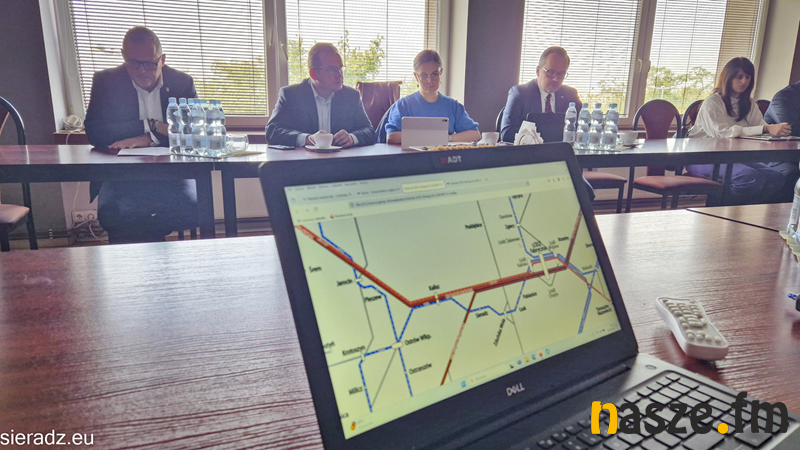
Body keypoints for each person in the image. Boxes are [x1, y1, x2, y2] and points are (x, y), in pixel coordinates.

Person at [84, 26, 198, 243]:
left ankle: (153, 252)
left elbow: (191, 133)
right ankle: (148, 255)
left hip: (172, 173)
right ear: (123, 56)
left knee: (190, 208)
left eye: (150, 64)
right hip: (121, 174)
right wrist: (151, 125)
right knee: (116, 213)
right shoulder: (106, 81)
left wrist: (148, 138)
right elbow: (95, 132)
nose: (141, 70)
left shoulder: (182, 83)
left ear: (162, 59)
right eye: (133, 63)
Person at [686, 57, 791, 205]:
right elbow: (723, 134)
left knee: (776, 178)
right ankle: (722, 211)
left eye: (748, 77)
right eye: (739, 77)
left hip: (734, 157)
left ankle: (746, 212)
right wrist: (766, 129)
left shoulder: (749, 102)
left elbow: (760, 128)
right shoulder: (713, 102)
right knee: (748, 178)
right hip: (702, 158)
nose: (744, 81)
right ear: (728, 78)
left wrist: (779, 132)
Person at [266, 43, 374, 148]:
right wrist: (307, 139)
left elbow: (369, 131)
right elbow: (272, 132)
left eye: (340, 68)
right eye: (332, 69)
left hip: (342, 158)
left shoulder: (351, 96)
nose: (339, 75)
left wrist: (352, 138)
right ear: (313, 74)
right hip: (305, 159)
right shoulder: (291, 95)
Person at [385, 50, 480, 144]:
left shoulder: (452, 106)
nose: (430, 80)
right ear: (416, 77)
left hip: (442, 153)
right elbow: (392, 137)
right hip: (411, 154)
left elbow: (475, 134)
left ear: (441, 72)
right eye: (424, 75)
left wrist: (447, 138)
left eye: (434, 74)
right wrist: (433, 137)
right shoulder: (403, 105)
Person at [500, 46, 581, 143]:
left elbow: (583, 128)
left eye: (561, 74)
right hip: (530, 151)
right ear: (538, 71)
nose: (556, 79)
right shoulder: (520, 93)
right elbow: (507, 134)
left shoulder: (570, 95)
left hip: (561, 151)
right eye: (550, 72)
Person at [763, 80, 800, 201]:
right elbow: (794, 130)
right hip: (776, 155)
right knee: (792, 172)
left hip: (795, 155)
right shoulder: (784, 97)